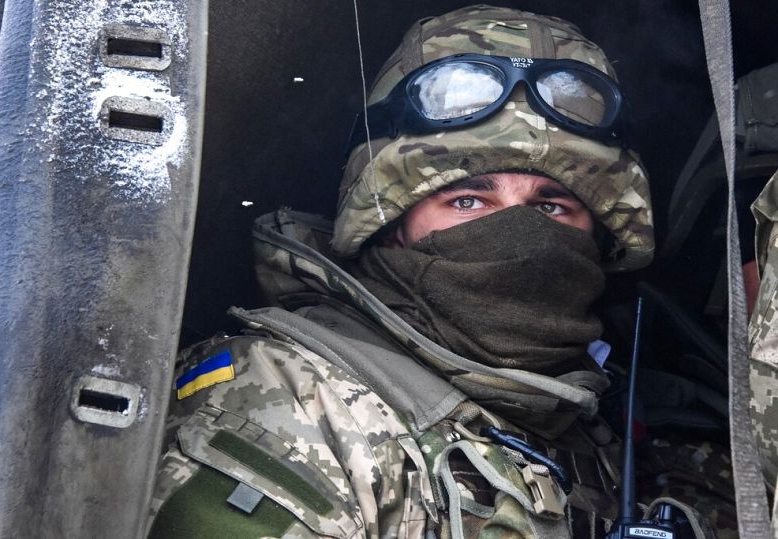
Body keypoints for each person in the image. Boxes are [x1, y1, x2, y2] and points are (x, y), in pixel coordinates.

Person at [146, 6, 727, 538]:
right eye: (469, 201)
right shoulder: (291, 404)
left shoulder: (578, 418)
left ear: (598, 235)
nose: (520, 234)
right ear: (392, 221)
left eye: (552, 207)